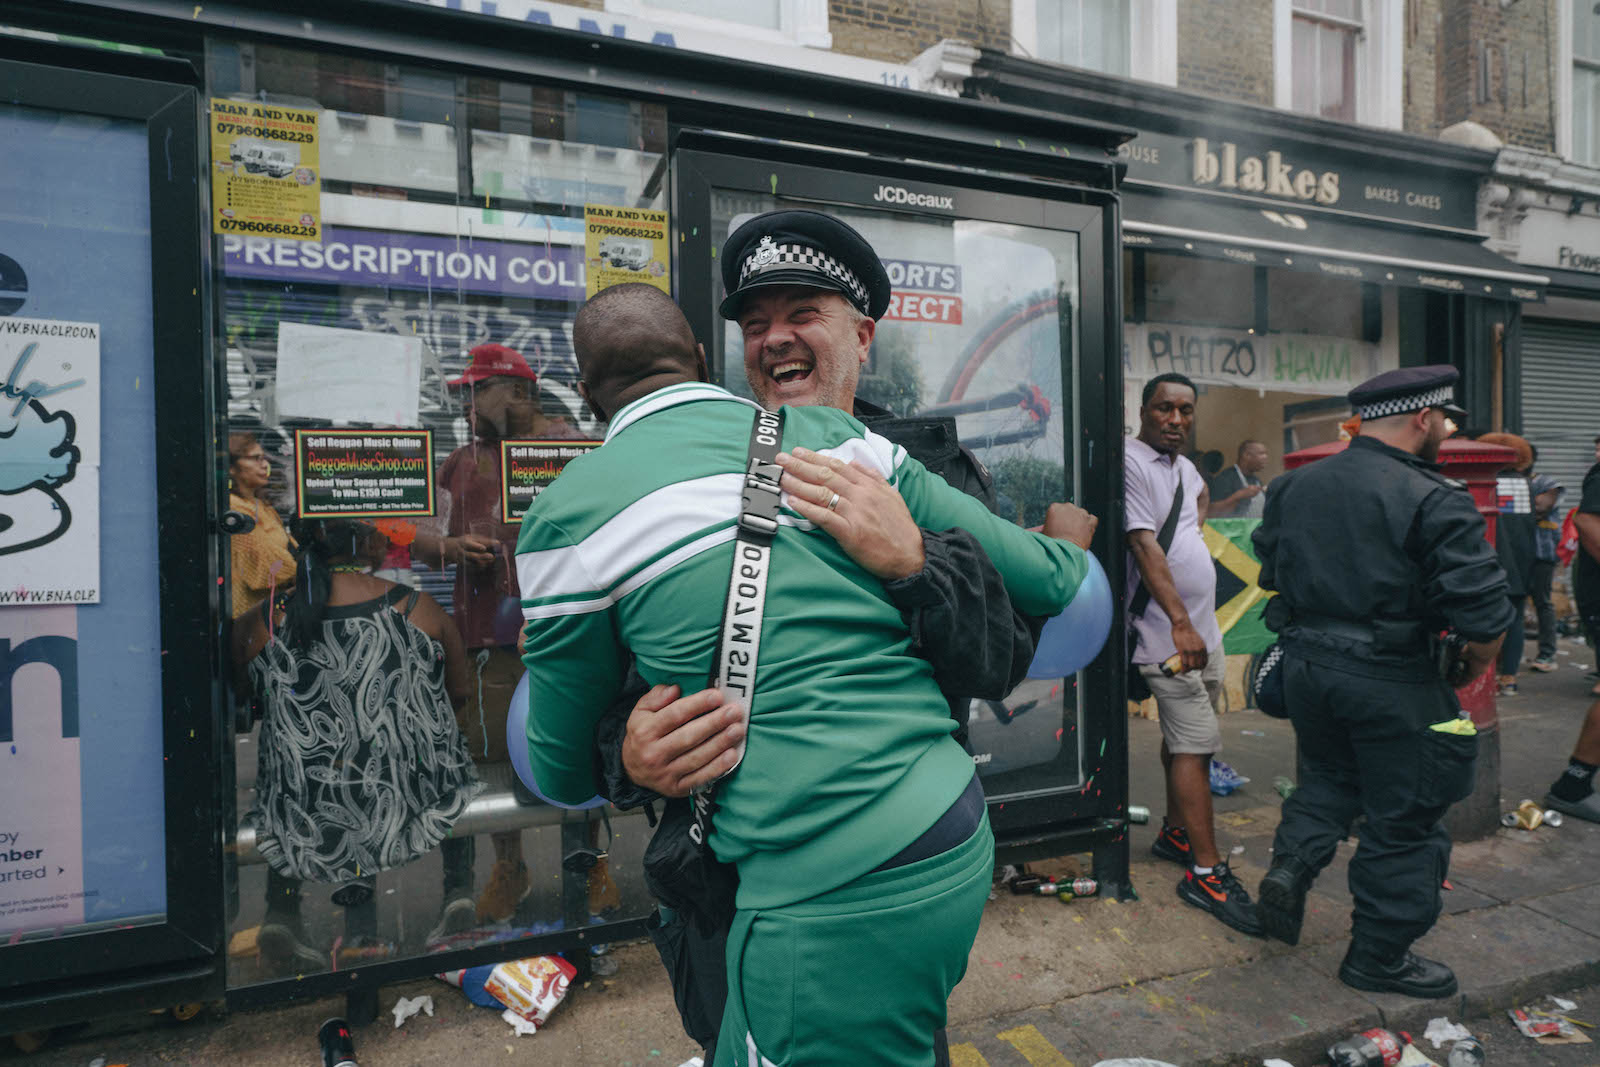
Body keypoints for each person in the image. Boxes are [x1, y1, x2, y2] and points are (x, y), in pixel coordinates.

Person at [516, 281, 1093, 1067]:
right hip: (945, 833)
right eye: (758, 326)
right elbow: (1053, 576)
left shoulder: (565, 516)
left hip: (824, 889)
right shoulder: (842, 441)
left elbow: (554, 763)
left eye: (802, 319)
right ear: (702, 359)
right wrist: (1066, 538)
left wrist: (917, 560)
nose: (778, 342)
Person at [1252, 365, 1512, 999]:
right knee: (1408, 818)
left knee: (1329, 779)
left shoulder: (1295, 486)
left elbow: (1271, 568)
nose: (1446, 432)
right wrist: (1473, 664)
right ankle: (1378, 956)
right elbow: (1483, 617)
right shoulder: (1436, 496)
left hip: (1309, 668)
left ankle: (1290, 867)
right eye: (1444, 421)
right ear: (1423, 420)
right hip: (1393, 678)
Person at [233, 516, 484, 966]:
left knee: (300, 777)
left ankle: (282, 913)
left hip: (304, 803)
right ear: (370, 546)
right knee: (443, 763)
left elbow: (245, 702)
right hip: (404, 793)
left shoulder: (263, 620)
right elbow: (459, 697)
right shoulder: (418, 609)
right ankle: (459, 892)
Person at [412, 342, 584, 923]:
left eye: (476, 391)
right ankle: (510, 865)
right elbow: (423, 536)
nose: (465, 404)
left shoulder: (573, 449)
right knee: (491, 759)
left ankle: (592, 860)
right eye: (462, 393)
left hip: (566, 633)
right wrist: (452, 547)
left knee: (576, 749)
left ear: (519, 393)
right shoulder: (461, 461)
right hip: (487, 637)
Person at [1125, 373, 1259, 935]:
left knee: (1187, 743)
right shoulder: (1130, 460)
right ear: (1143, 410)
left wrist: (1194, 532)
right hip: (1167, 634)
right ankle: (1205, 872)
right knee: (1196, 747)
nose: (1175, 420)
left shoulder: (1183, 469)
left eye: (1185, 410)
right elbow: (1142, 543)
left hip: (1203, 631)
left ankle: (1175, 834)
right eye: (1164, 409)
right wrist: (1180, 622)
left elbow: (1196, 498)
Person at [1478, 432, 1538, 695]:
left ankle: (1484, 676)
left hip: (1489, 561)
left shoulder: (1484, 483)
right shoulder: (1526, 486)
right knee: (1514, 621)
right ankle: (1509, 677)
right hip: (1522, 561)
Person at [227, 432, 297, 618]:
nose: (265, 465)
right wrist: (305, 569)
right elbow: (265, 566)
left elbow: (291, 549)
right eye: (255, 459)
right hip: (249, 616)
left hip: (272, 613)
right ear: (232, 467)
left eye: (264, 458)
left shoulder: (260, 505)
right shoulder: (234, 507)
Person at [1527, 446, 1564, 673]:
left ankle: (1547, 654)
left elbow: (1541, 506)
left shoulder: (1547, 482)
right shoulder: (1507, 481)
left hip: (1542, 552)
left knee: (1542, 601)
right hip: (1516, 552)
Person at [1206, 440, 1269, 519]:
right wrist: (1238, 496)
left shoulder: (1257, 480)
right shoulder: (1225, 478)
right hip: (1236, 530)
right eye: (1261, 454)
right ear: (1247, 455)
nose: (1265, 457)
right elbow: (1210, 512)